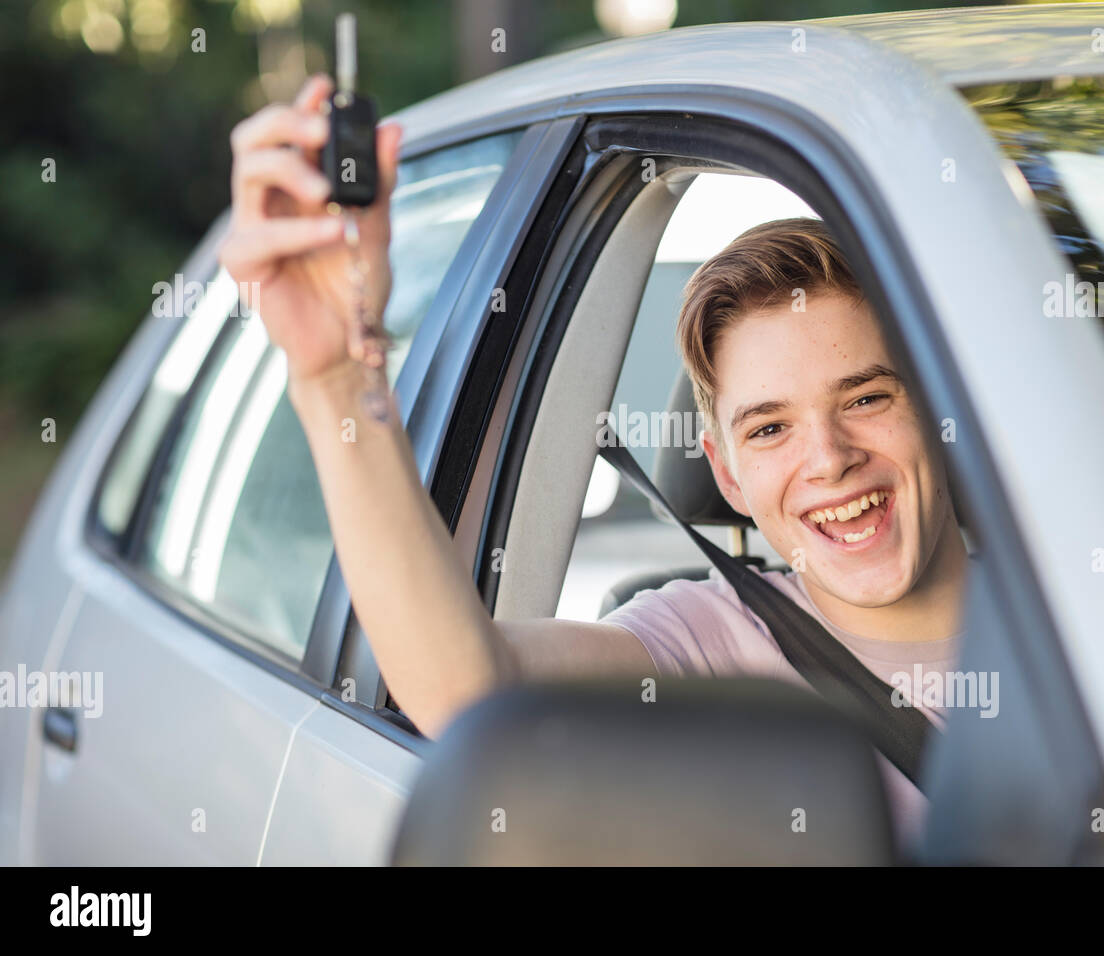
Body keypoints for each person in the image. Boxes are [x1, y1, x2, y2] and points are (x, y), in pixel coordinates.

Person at [222, 76, 970, 848]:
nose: (830, 459)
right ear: (726, 475)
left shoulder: (1079, 610)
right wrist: (336, 381)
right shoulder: (707, 643)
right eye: (770, 429)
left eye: (866, 399)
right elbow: (468, 689)